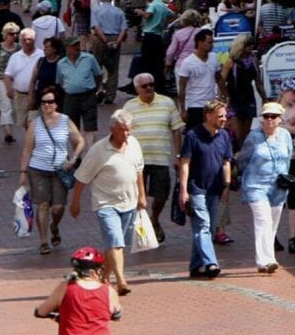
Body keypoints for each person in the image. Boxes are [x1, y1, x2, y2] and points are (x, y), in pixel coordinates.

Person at [70, 112, 145, 296]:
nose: (126, 134)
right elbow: (82, 177)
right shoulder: (98, 150)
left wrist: (142, 196)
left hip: (129, 201)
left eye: (128, 130)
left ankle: (104, 276)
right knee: (115, 241)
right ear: (112, 129)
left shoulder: (134, 144)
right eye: (121, 130)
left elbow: (139, 171)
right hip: (105, 203)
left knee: (117, 244)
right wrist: (75, 202)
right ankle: (121, 281)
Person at [20, 85, 85, 255]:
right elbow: (27, 149)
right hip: (38, 169)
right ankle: (43, 241)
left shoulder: (65, 120)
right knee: (42, 205)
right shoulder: (34, 124)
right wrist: (22, 173)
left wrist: (74, 158)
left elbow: (80, 141)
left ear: (56, 104)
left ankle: (54, 226)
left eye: (50, 102)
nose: (46, 105)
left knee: (57, 207)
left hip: (60, 170)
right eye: (43, 102)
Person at [123, 73, 184, 243]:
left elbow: (176, 129)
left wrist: (178, 155)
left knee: (161, 195)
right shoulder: (129, 107)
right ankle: (141, 226)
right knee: (136, 196)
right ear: (137, 89)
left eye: (151, 84)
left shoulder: (167, 102)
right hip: (136, 161)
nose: (149, 88)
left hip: (160, 158)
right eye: (144, 86)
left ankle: (154, 218)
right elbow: (123, 132)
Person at [235, 103, 294, 273]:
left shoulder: (285, 136)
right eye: (266, 116)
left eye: (273, 116)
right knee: (263, 220)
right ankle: (265, 260)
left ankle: (268, 257)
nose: (269, 120)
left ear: (280, 119)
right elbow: (243, 160)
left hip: (278, 186)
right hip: (256, 185)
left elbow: (287, 158)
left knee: (273, 224)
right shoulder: (254, 137)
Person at [178, 100, 233, 279]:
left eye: (225, 116)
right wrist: (184, 190)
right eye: (220, 116)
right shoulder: (193, 135)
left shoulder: (224, 136)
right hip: (197, 188)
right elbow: (185, 163)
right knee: (203, 225)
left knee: (205, 226)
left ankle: (195, 266)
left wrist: (227, 185)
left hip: (215, 188)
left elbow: (226, 161)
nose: (224, 119)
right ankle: (211, 262)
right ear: (208, 116)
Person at [57, 36, 104, 148]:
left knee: (90, 127)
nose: (77, 47)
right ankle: (77, 157)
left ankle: (91, 155)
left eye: (78, 44)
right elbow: (60, 81)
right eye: (74, 46)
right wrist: (69, 89)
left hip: (88, 96)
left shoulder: (89, 58)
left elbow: (98, 75)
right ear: (67, 48)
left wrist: (94, 89)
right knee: (72, 128)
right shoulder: (61, 63)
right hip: (71, 98)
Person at [277, 78, 295, 255]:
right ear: (283, 92)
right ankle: (272, 236)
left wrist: (280, 123)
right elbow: (268, 127)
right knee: (277, 197)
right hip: (278, 157)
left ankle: (292, 238)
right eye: (292, 92)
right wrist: (286, 123)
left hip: (294, 157)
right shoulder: (273, 109)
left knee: (294, 197)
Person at [0, 23, 23, 144]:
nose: (15, 36)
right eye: (12, 34)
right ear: (6, 35)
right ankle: (8, 132)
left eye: (16, 33)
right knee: (5, 105)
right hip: (0, 79)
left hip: (15, 79)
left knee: (15, 105)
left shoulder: (18, 48)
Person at [176, 30, 220, 129]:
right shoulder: (188, 62)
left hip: (211, 105)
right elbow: (182, 87)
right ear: (200, 43)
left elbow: (219, 79)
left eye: (213, 42)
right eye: (209, 42)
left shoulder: (214, 58)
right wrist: (182, 109)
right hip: (194, 105)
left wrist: (224, 97)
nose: (212, 45)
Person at [90, 0, 127, 105]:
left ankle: (97, 90)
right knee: (113, 69)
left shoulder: (96, 11)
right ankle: (110, 95)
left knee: (97, 66)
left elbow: (96, 27)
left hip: (100, 39)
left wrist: (105, 40)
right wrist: (117, 41)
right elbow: (123, 29)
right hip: (115, 37)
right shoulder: (119, 11)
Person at [138, 0, 175, 93]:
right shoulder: (162, 5)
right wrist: (164, 23)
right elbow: (173, 14)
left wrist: (140, 12)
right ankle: (159, 86)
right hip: (158, 36)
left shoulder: (153, 5)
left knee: (147, 62)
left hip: (149, 36)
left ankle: (146, 86)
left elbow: (148, 15)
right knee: (158, 63)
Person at [4, 28, 41, 131]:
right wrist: (9, 89)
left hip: (36, 95)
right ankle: (31, 144)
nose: (26, 42)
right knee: (25, 123)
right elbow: (7, 75)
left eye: (29, 39)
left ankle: (34, 145)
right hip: (20, 95)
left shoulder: (41, 55)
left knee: (33, 123)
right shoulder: (15, 57)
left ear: (34, 40)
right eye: (24, 40)